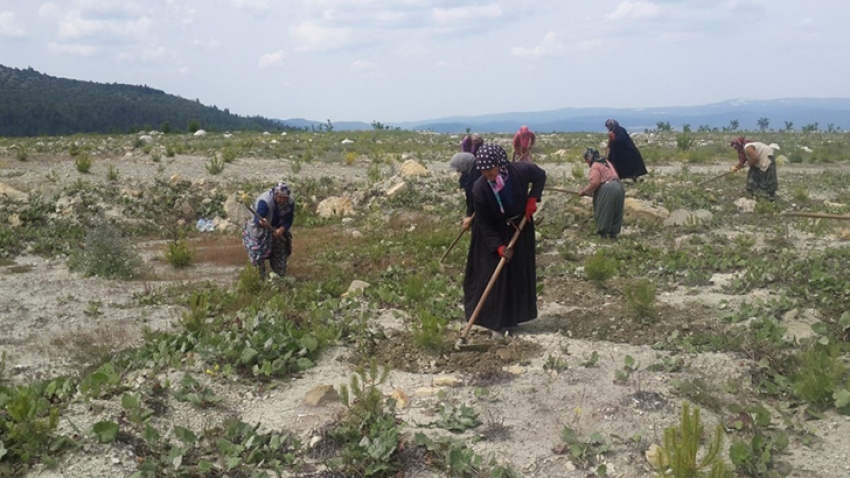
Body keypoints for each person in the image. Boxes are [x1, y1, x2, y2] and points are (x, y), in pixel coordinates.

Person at [463, 143, 546, 338]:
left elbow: (540, 176)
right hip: (494, 232)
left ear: (500, 164)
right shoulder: (480, 188)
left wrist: (533, 198)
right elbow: (483, 224)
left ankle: (513, 317)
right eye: (483, 171)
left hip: (519, 225)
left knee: (515, 271)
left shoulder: (521, 170)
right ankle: (493, 321)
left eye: (490, 170)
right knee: (493, 274)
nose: (487, 174)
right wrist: (498, 246)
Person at [242, 182, 294, 279]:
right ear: (276, 195)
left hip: (277, 231)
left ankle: (279, 279)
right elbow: (258, 217)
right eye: (280, 197)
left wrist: (281, 230)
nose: (283, 200)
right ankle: (259, 280)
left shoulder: (290, 202)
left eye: (285, 198)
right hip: (259, 232)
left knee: (279, 253)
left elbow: (289, 219)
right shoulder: (265, 201)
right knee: (258, 259)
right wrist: (262, 221)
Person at [579, 147, 625, 239]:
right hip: (619, 187)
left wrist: (584, 191)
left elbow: (595, 182)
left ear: (588, 158)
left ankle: (603, 234)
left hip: (608, 188)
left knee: (604, 210)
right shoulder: (607, 162)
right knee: (616, 211)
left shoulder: (595, 165)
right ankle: (613, 234)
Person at [449, 152, 481, 230]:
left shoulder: (478, 176)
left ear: (464, 164)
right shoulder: (468, 174)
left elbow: (475, 199)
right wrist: (469, 216)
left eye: (458, 169)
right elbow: (469, 199)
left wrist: (470, 218)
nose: (458, 171)